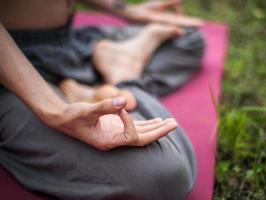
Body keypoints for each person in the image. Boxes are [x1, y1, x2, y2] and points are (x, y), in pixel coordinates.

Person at [0, 0, 204, 199]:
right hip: (12, 76)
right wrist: (55, 111)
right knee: (165, 176)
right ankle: (123, 78)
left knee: (187, 37)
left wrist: (125, 10)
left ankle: (96, 82)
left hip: (65, 42)